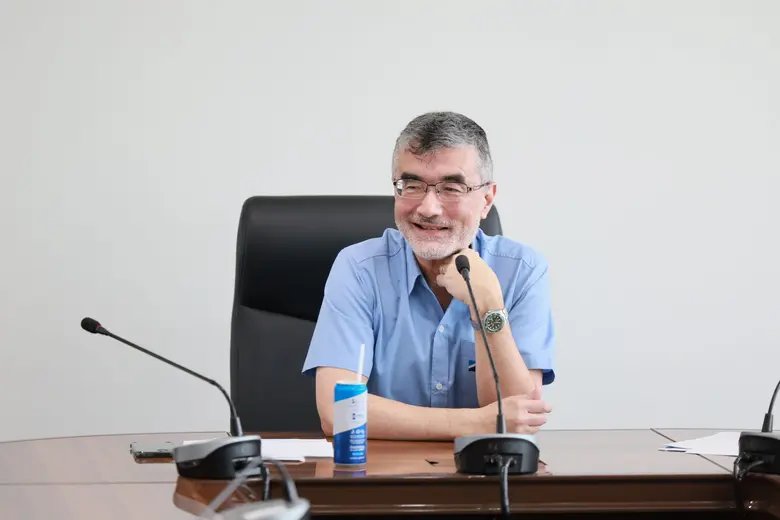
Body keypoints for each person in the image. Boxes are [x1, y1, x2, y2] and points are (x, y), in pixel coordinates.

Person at [302, 111, 555, 440]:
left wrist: (487, 307)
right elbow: (339, 412)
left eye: (452, 187)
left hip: (486, 470)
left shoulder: (522, 270)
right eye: (412, 186)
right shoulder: (359, 268)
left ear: (486, 200)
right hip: (381, 470)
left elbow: (518, 419)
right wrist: (477, 423)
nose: (428, 208)